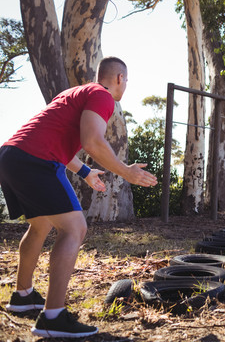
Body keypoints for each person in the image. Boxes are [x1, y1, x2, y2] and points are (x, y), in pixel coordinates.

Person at [0, 57, 157, 338]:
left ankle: (23, 296)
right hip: (36, 160)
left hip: (11, 156)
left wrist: (84, 171)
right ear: (120, 78)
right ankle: (53, 318)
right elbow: (93, 141)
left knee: (40, 225)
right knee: (75, 228)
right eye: (127, 80)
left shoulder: (74, 93)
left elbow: (55, 138)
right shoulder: (102, 96)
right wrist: (126, 172)